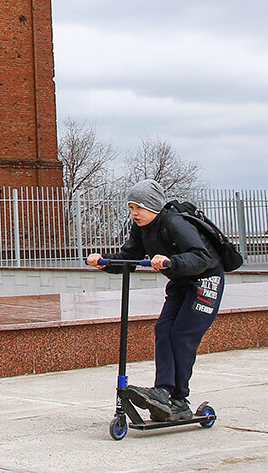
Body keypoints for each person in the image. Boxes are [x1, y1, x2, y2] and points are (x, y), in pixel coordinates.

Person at [87, 178, 224, 421]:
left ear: (152, 206)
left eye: (138, 207)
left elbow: (201, 257)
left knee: (181, 334)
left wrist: (171, 262)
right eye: (131, 208)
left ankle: (179, 400)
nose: (134, 213)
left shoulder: (175, 223)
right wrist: (105, 262)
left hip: (206, 281)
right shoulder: (142, 229)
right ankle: (163, 391)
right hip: (182, 281)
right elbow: (129, 257)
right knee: (163, 329)